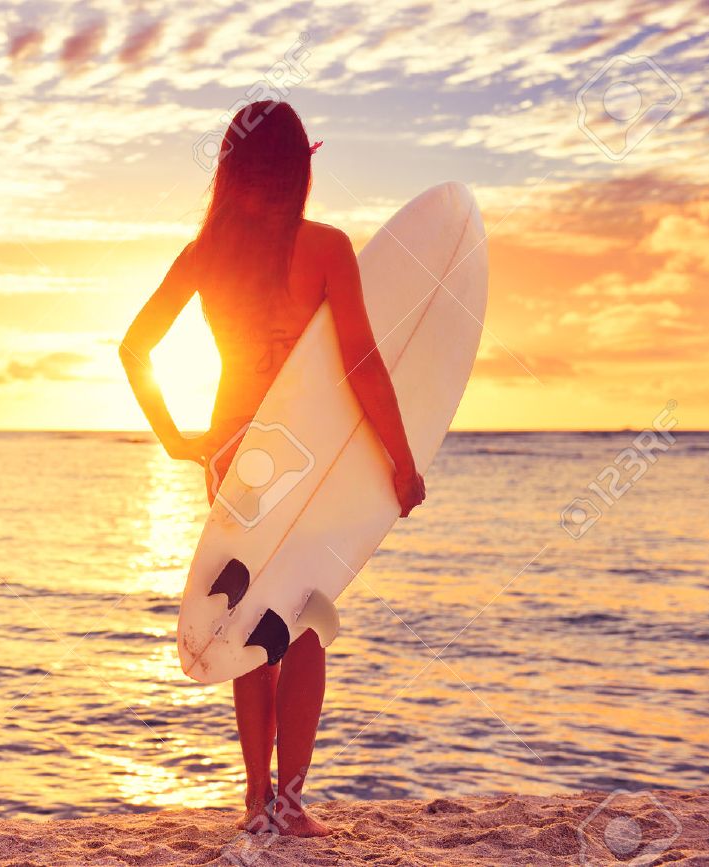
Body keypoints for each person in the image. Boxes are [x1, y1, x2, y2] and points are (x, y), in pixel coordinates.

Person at [119, 100, 426, 837]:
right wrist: (402, 458)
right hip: (308, 455)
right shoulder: (324, 247)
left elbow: (135, 348)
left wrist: (176, 438)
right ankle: (289, 802)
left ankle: (256, 797)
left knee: (251, 625)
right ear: (299, 168)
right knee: (308, 621)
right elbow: (360, 363)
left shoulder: (204, 257)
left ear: (229, 170)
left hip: (235, 454)